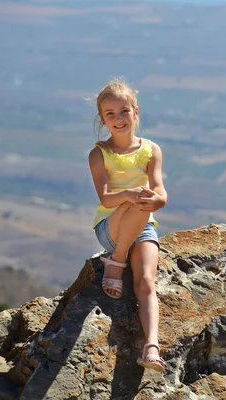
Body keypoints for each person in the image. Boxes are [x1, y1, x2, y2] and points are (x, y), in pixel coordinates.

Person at [88, 78, 167, 372]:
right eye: (111, 114)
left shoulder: (151, 150)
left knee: (146, 281)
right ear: (103, 119)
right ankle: (117, 258)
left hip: (144, 225)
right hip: (111, 228)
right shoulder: (99, 153)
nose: (118, 119)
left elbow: (160, 190)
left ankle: (151, 347)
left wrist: (157, 201)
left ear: (135, 111)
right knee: (135, 202)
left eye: (124, 111)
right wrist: (132, 195)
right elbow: (107, 199)